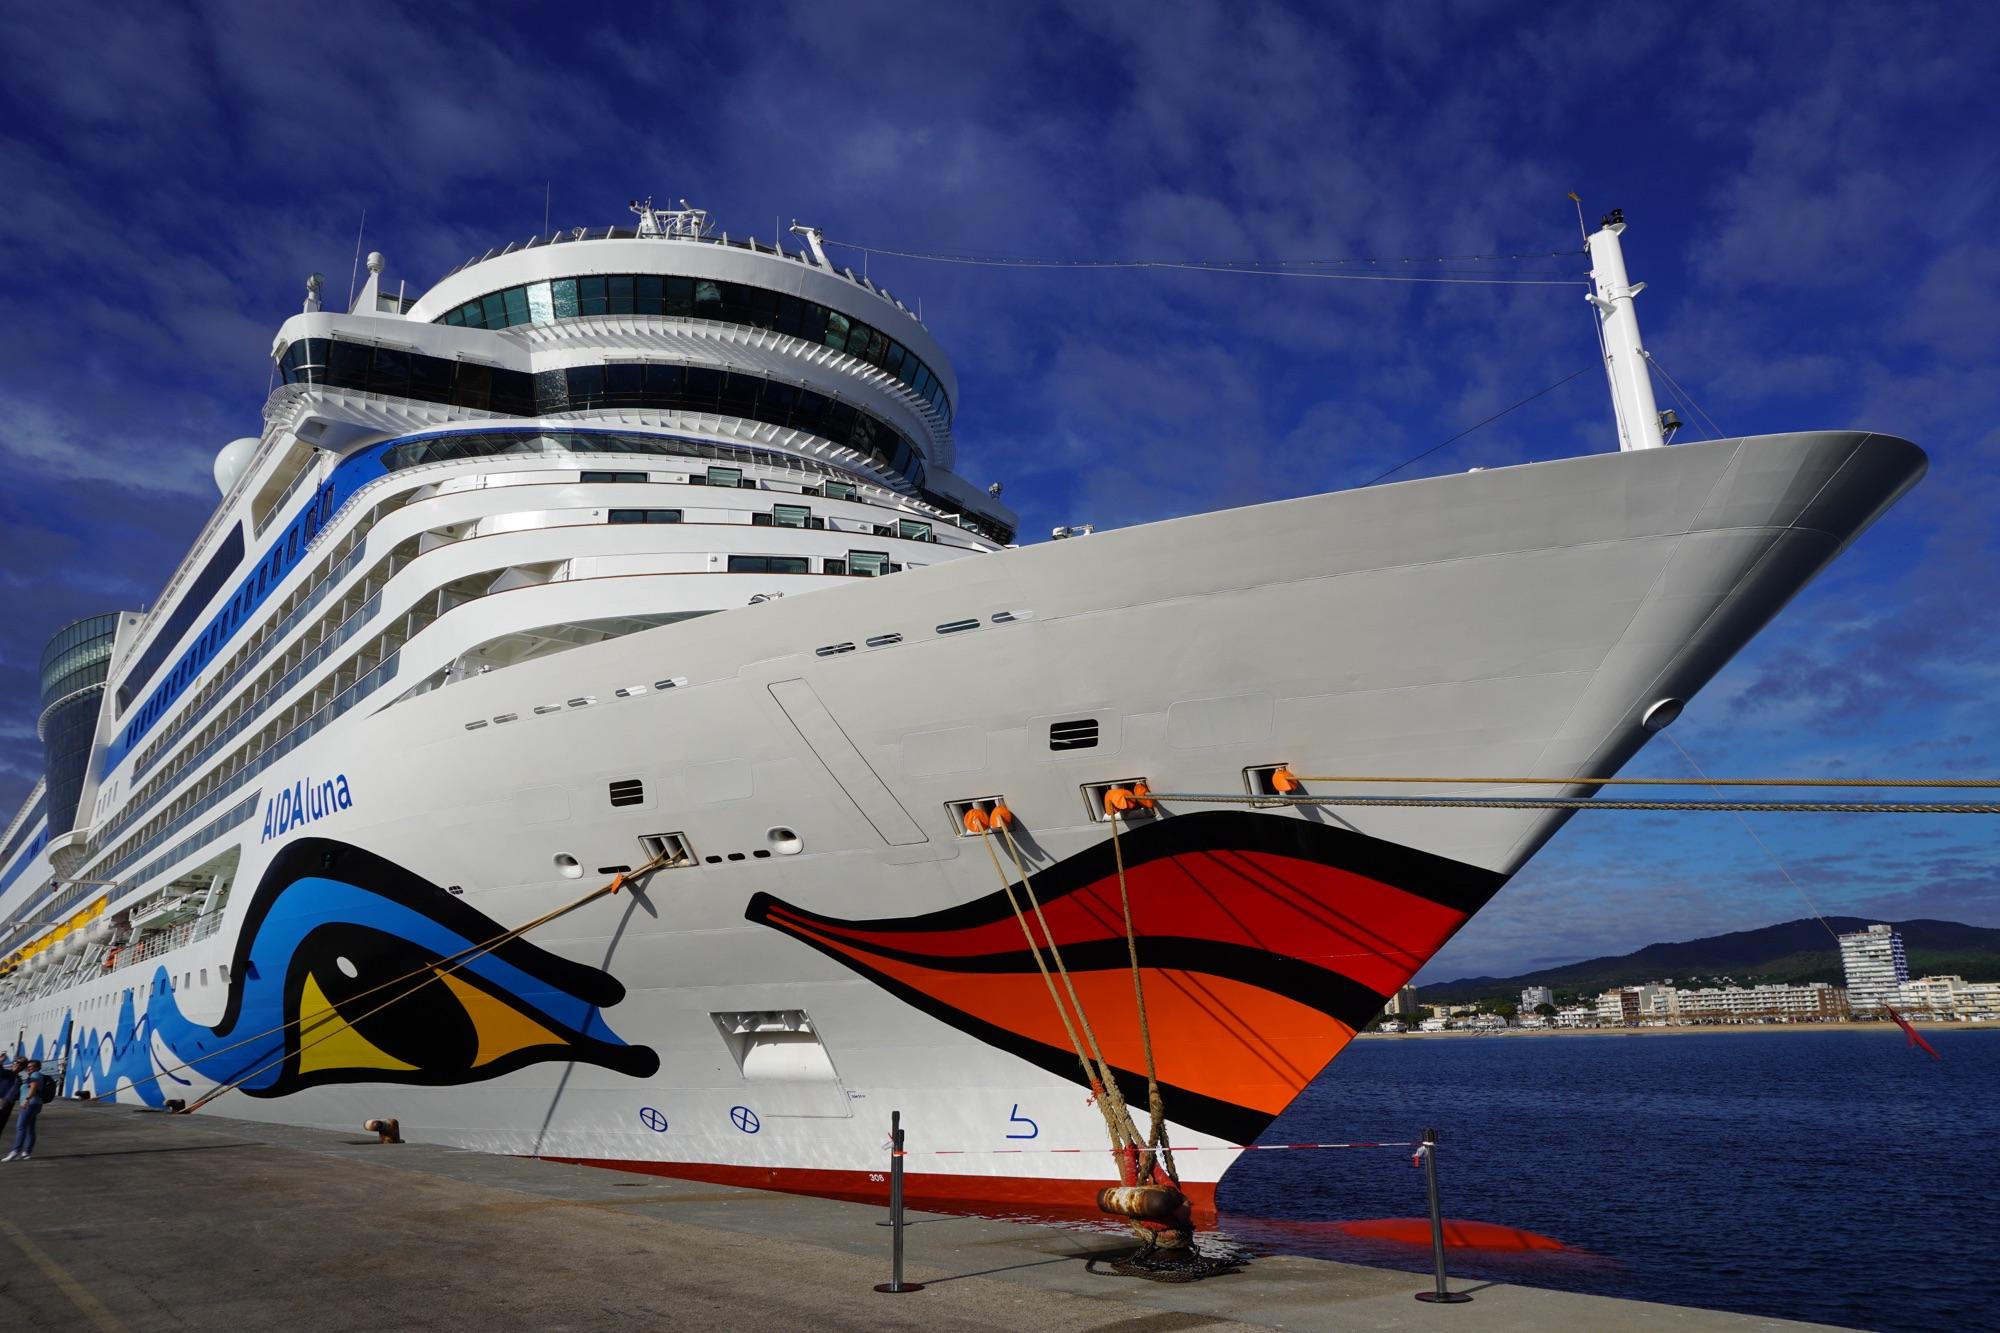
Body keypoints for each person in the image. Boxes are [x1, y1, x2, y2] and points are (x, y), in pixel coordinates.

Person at [4, 1060, 50, 1161]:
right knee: (30, 1128)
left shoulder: (35, 1075)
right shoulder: (32, 1076)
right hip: (35, 1104)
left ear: (37, 1068)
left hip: (30, 1104)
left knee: (20, 1127)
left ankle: (15, 1151)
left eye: (31, 1066)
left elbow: (34, 1087)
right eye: (28, 1066)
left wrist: (27, 1100)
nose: (29, 1068)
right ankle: (27, 1152)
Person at [0, 1059, 19, 1141]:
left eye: (20, 1065)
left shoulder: (17, 1078)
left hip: (7, 1103)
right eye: (15, 1064)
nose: (17, 1066)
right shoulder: (7, 1073)